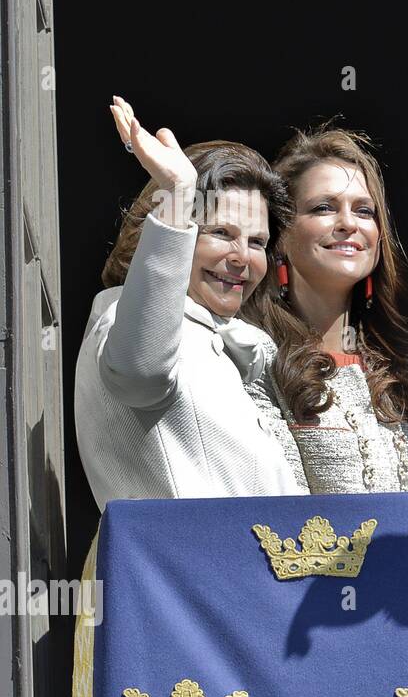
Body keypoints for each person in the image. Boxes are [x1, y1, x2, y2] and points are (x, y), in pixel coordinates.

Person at [75, 97, 306, 509]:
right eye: (220, 232)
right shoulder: (124, 321)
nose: (241, 257)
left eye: (256, 242)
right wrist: (178, 196)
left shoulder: (218, 345)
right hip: (186, 573)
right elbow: (140, 371)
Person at [245, 126, 408, 493]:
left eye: (364, 211)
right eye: (324, 208)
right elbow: (276, 511)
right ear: (281, 235)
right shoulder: (253, 364)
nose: (348, 223)